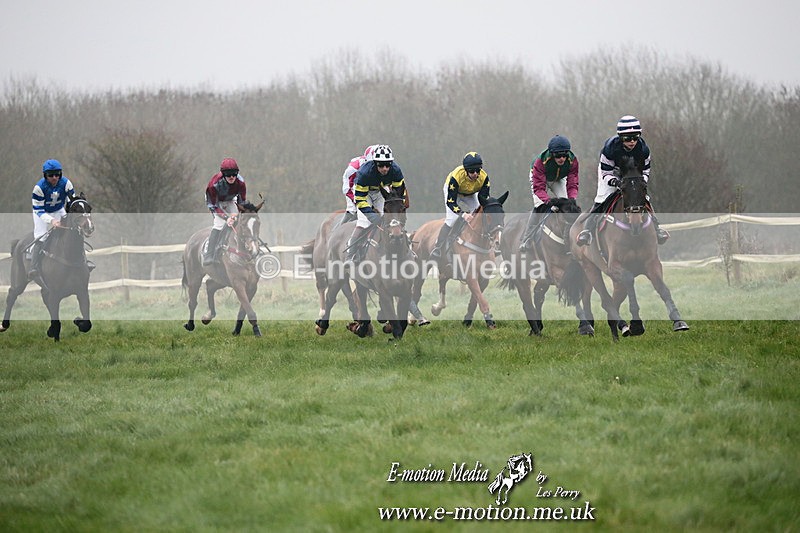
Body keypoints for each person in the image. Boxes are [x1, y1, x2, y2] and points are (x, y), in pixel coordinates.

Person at [576, 115, 669, 246]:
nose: (632, 142)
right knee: (602, 198)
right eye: (627, 138)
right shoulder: (609, 148)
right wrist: (616, 183)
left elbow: (646, 171)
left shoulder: (643, 149)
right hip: (611, 173)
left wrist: (641, 183)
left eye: (635, 137)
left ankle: (657, 228)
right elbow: (606, 173)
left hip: (633, 175)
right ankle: (587, 231)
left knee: (644, 197)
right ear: (620, 137)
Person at [346, 144, 407, 262]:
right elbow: (360, 199)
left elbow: (398, 195)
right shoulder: (365, 173)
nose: (385, 168)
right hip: (364, 193)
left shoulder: (396, 171)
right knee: (364, 222)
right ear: (375, 163)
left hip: (380, 191)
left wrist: (398, 212)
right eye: (381, 165)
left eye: (388, 164)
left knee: (389, 220)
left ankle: (402, 248)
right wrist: (371, 215)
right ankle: (350, 254)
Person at [519, 135, 579, 252]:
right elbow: (539, 189)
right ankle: (527, 238)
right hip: (540, 179)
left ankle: (569, 235)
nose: (562, 158)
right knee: (540, 206)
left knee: (567, 206)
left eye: (564, 155)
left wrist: (571, 199)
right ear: (552, 154)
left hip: (559, 178)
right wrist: (549, 202)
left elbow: (573, 183)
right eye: (558, 156)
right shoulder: (540, 162)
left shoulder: (573, 160)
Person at [430, 152, 490, 260]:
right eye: (472, 171)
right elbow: (451, 202)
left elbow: (484, 200)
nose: (475, 174)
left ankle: (486, 242)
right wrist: (463, 214)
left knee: (481, 214)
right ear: (466, 170)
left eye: (478, 170)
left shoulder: (484, 178)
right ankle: (438, 248)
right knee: (452, 218)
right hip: (454, 193)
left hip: (470, 194)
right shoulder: (456, 177)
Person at [29, 159, 77, 278]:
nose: (55, 178)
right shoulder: (38, 188)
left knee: (72, 230)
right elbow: (39, 210)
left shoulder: (66, 183)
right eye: (51, 175)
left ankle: (80, 260)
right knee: (41, 235)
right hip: (42, 212)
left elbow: (72, 202)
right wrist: (52, 220)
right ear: (45, 175)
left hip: (58, 209)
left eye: (57, 174)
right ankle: (33, 267)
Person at [203, 158, 247, 266]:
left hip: (231, 199)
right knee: (219, 224)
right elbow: (213, 206)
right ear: (223, 174)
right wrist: (226, 217)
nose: (232, 177)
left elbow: (242, 202)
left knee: (238, 221)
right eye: (228, 174)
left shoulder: (241, 182)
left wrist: (236, 216)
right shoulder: (213, 184)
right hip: (215, 202)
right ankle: (209, 254)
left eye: (234, 174)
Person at [341, 145, 377, 225]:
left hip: (367, 185)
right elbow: (348, 188)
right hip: (351, 184)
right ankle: (337, 230)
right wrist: (355, 199)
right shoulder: (353, 168)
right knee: (352, 209)